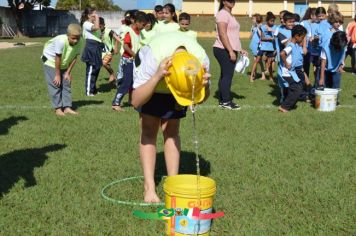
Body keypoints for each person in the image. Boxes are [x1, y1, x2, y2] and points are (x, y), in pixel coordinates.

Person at [130, 31, 210, 203]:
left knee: (172, 130)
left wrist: (206, 86)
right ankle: (149, 187)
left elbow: (201, 98)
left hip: (180, 83)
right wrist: (157, 77)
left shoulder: (201, 61)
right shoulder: (152, 57)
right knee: (149, 131)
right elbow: (135, 100)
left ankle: (173, 183)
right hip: (152, 79)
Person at [42, 24, 83, 116]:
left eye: (78, 38)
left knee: (66, 82)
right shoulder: (61, 41)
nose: (75, 41)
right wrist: (57, 75)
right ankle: (58, 108)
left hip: (63, 62)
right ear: (68, 35)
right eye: (73, 38)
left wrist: (68, 73)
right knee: (56, 84)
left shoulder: (80, 41)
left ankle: (67, 107)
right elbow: (58, 58)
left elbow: (74, 57)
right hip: (50, 60)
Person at [213, 0, 247, 110]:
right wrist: (230, 51)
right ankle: (226, 102)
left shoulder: (229, 14)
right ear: (223, 1)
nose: (232, 1)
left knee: (225, 75)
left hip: (228, 49)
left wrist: (240, 49)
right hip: (223, 49)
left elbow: (232, 35)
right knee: (228, 75)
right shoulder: (222, 14)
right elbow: (223, 34)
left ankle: (222, 100)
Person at [112, 11, 147, 111]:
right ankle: (116, 103)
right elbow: (125, 46)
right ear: (137, 22)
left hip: (134, 61)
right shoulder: (129, 31)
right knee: (126, 82)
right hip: (128, 60)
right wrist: (135, 55)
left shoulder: (139, 32)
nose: (143, 27)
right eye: (143, 25)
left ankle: (131, 101)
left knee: (134, 82)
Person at [278, 25, 307, 112]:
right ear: (296, 36)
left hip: (292, 72)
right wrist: (286, 63)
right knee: (297, 88)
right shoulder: (290, 45)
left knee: (296, 88)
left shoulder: (296, 45)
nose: (302, 39)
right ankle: (284, 107)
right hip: (287, 72)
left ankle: (289, 104)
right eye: (302, 37)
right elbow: (282, 53)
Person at [81, 7, 103, 96]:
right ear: (89, 15)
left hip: (96, 47)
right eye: (94, 14)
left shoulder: (92, 23)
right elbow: (96, 27)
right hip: (91, 47)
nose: (96, 16)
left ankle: (93, 90)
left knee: (96, 69)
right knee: (91, 70)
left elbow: (98, 33)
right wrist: (97, 18)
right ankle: (88, 91)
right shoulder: (86, 24)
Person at [99, 17, 120, 83]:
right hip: (101, 52)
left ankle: (112, 74)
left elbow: (117, 37)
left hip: (109, 51)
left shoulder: (109, 31)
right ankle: (115, 80)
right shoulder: (97, 31)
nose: (99, 27)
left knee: (104, 63)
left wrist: (116, 47)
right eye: (98, 26)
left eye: (100, 25)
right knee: (106, 65)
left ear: (103, 24)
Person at [258, 11, 277, 81]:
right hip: (263, 47)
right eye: (271, 21)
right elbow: (262, 38)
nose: (272, 22)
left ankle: (271, 77)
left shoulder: (275, 27)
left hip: (271, 47)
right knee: (258, 60)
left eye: (273, 21)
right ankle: (255, 75)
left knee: (270, 62)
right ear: (267, 21)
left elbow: (277, 35)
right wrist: (269, 38)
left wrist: (271, 30)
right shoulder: (263, 27)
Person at [249, 13, 264, 82]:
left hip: (258, 45)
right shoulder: (253, 27)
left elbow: (261, 35)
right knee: (259, 61)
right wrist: (252, 30)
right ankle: (261, 75)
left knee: (256, 60)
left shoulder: (261, 26)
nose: (252, 20)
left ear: (257, 19)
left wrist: (258, 28)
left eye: (253, 19)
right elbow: (250, 37)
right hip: (253, 45)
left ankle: (254, 75)